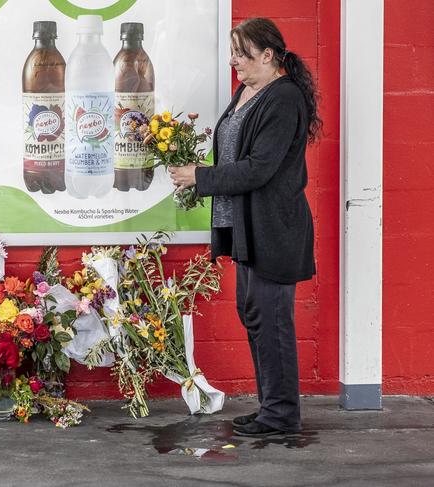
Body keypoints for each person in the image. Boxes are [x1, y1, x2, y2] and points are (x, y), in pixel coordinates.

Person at [169, 17, 321, 438]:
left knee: (271, 320)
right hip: (246, 229)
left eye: (242, 52)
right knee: (255, 315)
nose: (234, 60)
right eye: (233, 51)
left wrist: (200, 177)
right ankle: (271, 407)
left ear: (268, 55)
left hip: (274, 228)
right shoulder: (248, 91)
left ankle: (282, 415)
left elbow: (259, 169)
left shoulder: (284, 98)